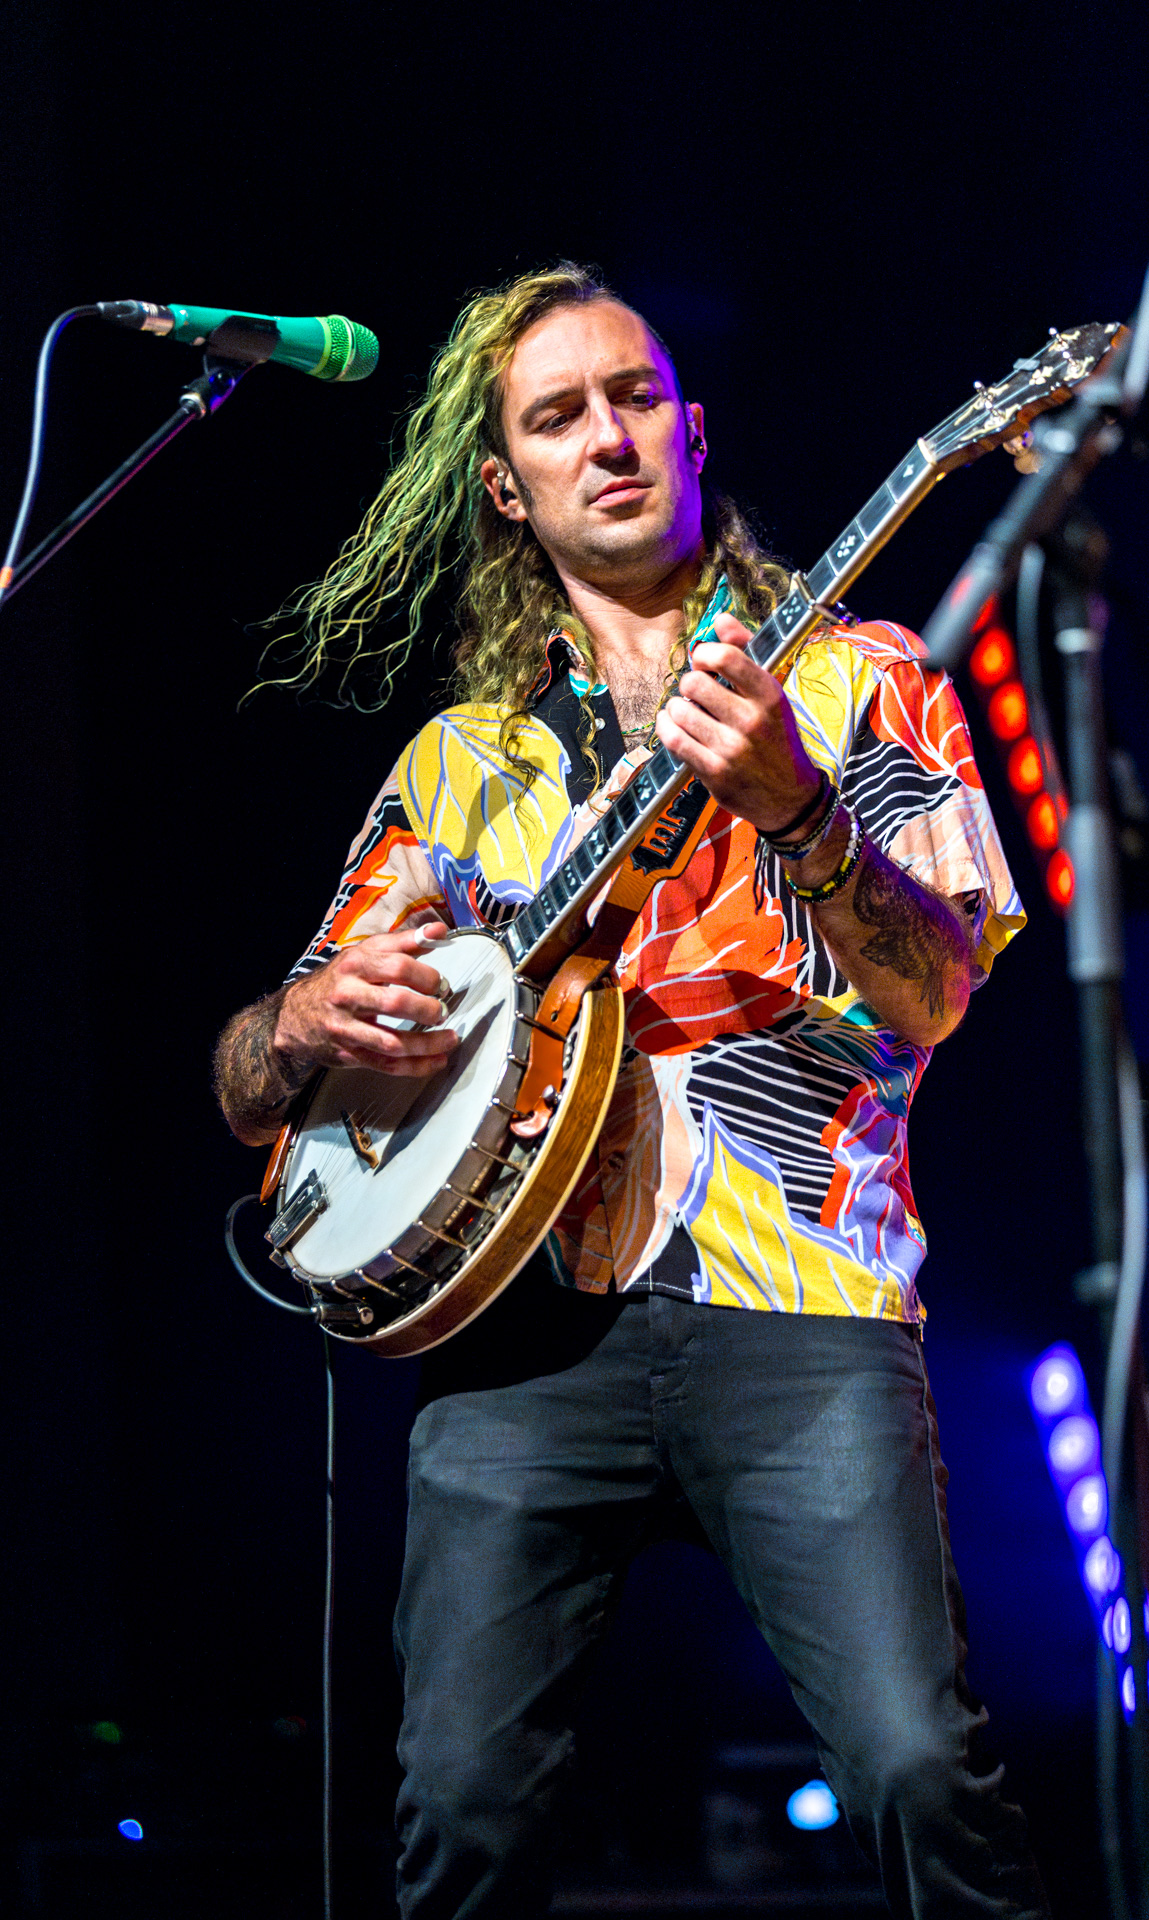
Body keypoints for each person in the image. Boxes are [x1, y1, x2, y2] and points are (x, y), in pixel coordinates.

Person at [214, 264, 1049, 1918]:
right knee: (462, 1812)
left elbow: (939, 990)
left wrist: (802, 811)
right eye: (557, 417)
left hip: (801, 1299)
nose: (607, 437)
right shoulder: (459, 769)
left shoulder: (863, 681)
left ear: (692, 427)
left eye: (635, 397)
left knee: (915, 1769)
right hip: (514, 1329)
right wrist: (306, 1018)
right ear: (505, 489)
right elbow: (254, 1096)